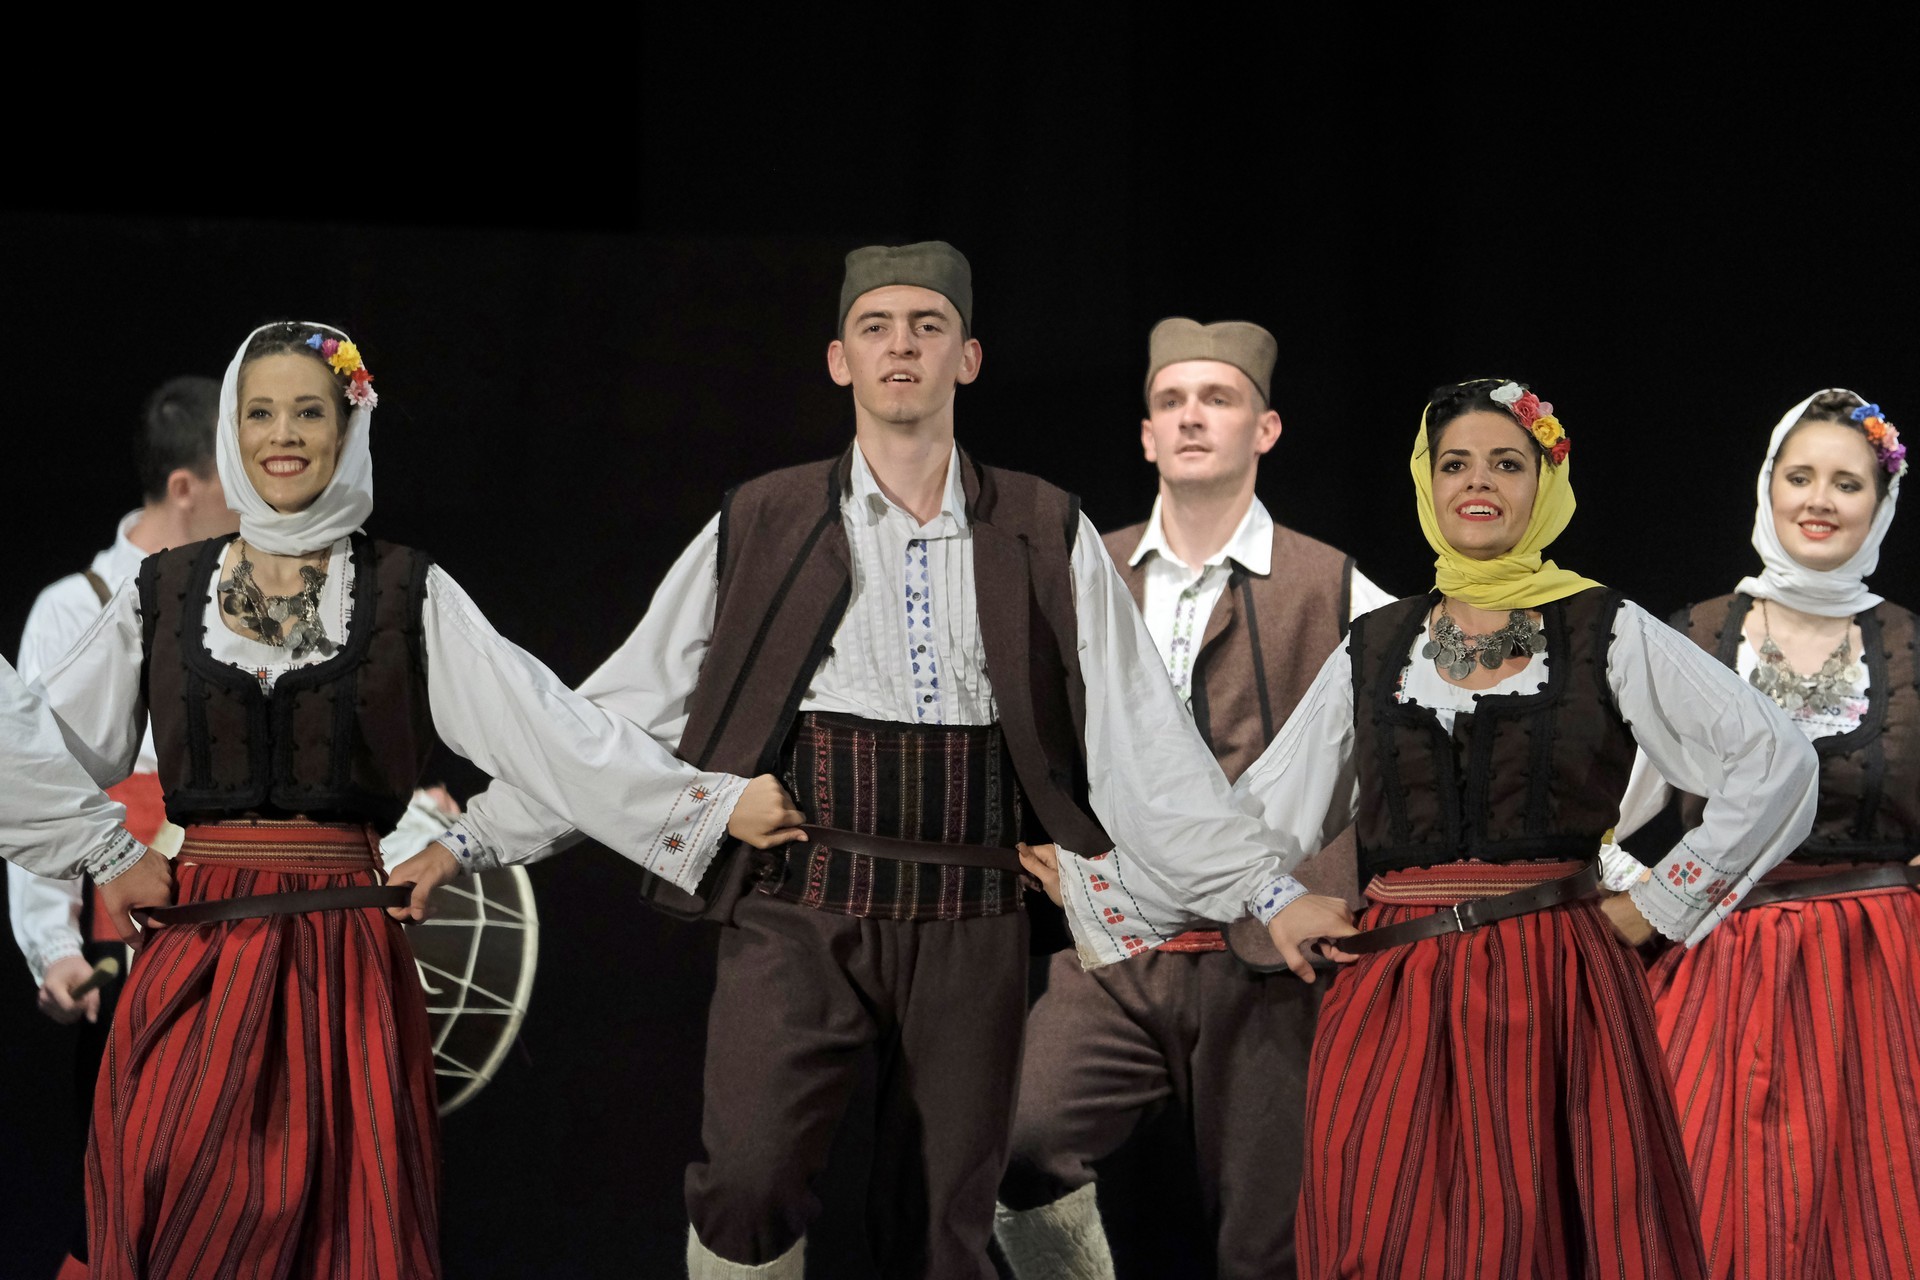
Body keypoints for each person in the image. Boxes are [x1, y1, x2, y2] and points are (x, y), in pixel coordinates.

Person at [389, 244, 1348, 1280]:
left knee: (943, 1224)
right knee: (748, 1182)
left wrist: (1268, 894)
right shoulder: (763, 517)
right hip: (801, 897)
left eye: (928, 326)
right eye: (876, 327)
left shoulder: (1042, 524)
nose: (902, 346)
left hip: (973, 913)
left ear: (967, 358)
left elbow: (1143, 744)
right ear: (839, 358)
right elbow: (622, 709)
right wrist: (471, 839)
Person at [32, 321, 772, 1280]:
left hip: (342, 960)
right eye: (260, 413)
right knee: (178, 1211)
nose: (282, 434)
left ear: (347, 430)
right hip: (198, 954)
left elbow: (551, 731)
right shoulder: (162, 592)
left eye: (308, 412)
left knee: (348, 1233)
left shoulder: (403, 592)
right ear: (230, 432)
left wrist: (704, 808)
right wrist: (103, 852)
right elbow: (37, 744)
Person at [1033, 377, 1821, 1278]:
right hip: (1395, 988)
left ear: (1544, 483)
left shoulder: (1605, 628)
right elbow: (1267, 816)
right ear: (1428, 483)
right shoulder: (1378, 646)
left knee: (1543, 1237)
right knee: (1387, 1233)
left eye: (1506, 463)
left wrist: (1661, 905)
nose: (1477, 481)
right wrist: (1138, 883)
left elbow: (1776, 761)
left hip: (1553, 982)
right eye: (1455, 464)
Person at [994, 318, 1392, 1280]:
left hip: (1271, 964)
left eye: (1218, 398)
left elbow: (1415, 737)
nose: (1191, 417)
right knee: (1019, 1144)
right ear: (1145, 435)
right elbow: (1017, 721)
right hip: (1119, 948)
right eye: (1171, 401)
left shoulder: (1335, 584)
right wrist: (1028, 844)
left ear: (1266, 428)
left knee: (1270, 1240)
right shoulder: (1085, 571)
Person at [1613, 389, 1919, 1278]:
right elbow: (1605, 809)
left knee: (1877, 1213)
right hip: (1722, 962)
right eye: (1801, 476)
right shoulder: (1696, 635)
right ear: (1768, 486)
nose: (1820, 500)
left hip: (1881, 972)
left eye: (1847, 484)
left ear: (1880, 503)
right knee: (1713, 1206)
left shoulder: (1909, 645)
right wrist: (1640, 897)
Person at [8, 376, 234, 1278]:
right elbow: (32, 783)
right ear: (185, 487)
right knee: (129, 1193)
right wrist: (52, 948)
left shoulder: (243, 599)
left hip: (230, 914)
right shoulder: (76, 604)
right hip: (129, 923)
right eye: (236, 481)